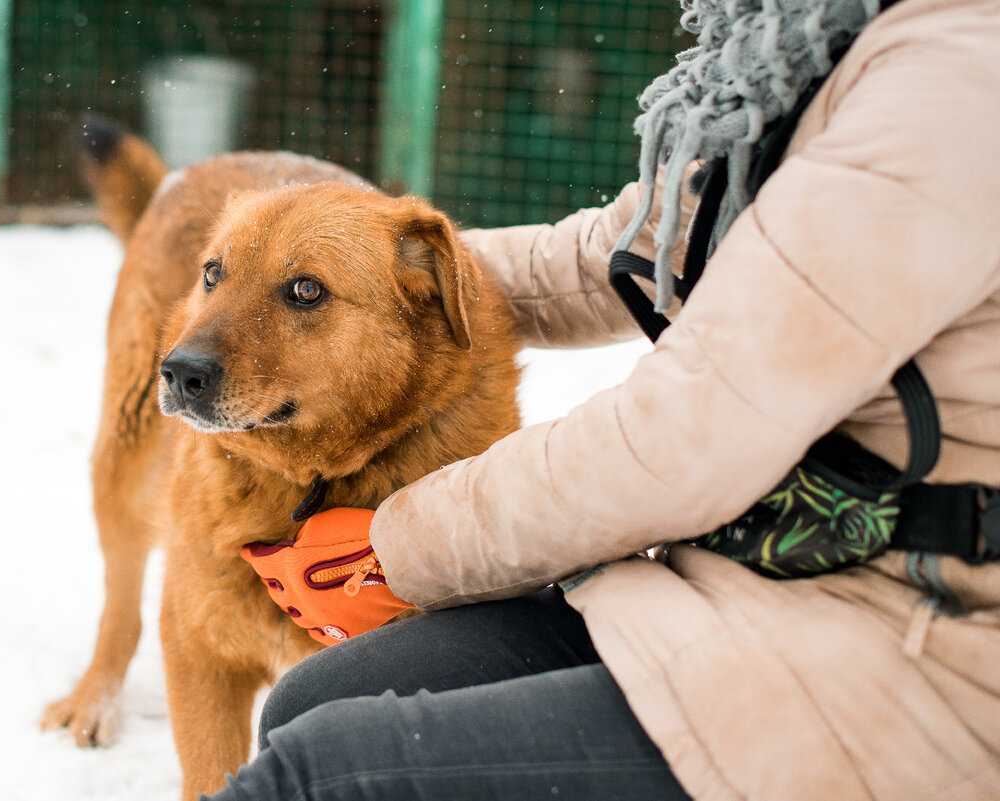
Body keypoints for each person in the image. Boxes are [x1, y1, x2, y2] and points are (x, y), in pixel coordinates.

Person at [209, 0, 1000, 798]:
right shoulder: (813, 45)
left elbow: (686, 437)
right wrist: (378, 267)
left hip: (905, 651)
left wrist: (398, 543)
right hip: (752, 583)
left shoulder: (953, 84)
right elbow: (625, 250)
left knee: (321, 774)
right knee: (316, 697)